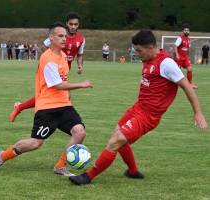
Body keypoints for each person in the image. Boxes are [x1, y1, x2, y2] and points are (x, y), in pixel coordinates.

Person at [69, 29, 207, 185]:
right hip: (138, 107)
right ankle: (133, 171)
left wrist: (198, 112)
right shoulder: (148, 60)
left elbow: (186, 86)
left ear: (150, 48)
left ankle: (87, 177)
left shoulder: (166, 63)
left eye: (139, 51)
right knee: (118, 136)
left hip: (149, 116)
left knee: (115, 141)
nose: (137, 54)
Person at [0, 22, 93, 176]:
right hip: (47, 107)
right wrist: (81, 85)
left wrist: (68, 96)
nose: (64, 39)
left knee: (79, 132)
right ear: (51, 37)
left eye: (65, 36)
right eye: (60, 36)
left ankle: (60, 166)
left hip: (64, 105)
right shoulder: (48, 58)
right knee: (35, 143)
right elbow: (58, 85)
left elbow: (63, 80)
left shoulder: (63, 56)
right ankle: (2, 156)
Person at [10, 12, 85, 122]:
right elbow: (44, 46)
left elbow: (80, 54)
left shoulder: (81, 39)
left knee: (61, 95)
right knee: (57, 94)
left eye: (76, 24)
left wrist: (79, 65)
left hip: (64, 70)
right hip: (51, 68)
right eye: (71, 24)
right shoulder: (57, 34)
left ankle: (20, 107)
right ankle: (71, 124)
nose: (73, 27)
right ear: (67, 24)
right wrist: (53, 59)